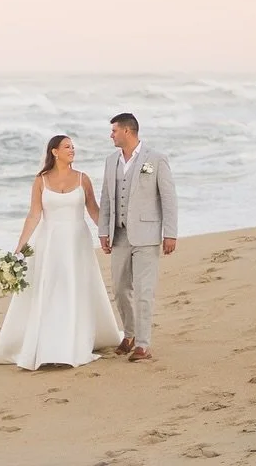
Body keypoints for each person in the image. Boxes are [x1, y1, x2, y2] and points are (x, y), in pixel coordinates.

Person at [0, 134, 123, 369]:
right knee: (51, 289)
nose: (72, 150)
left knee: (73, 288)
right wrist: (20, 247)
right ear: (54, 152)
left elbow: (94, 210)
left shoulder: (83, 179)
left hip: (77, 242)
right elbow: (34, 215)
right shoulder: (41, 180)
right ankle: (50, 342)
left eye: (73, 147)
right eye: (67, 147)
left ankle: (73, 340)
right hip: (50, 242)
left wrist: (106, 234)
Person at [98, 111, 178, 362]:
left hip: (147, 235)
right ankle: (130, 334)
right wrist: (103, 230)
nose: (111, 135)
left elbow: (168, 197)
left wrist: (170, 233)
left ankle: (143, 345)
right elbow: (106, 199)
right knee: (120, 290)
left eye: (114, 131)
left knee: (144, 291)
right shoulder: (111, 161)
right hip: (119, 235)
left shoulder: (156, 159)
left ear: (128, 131)